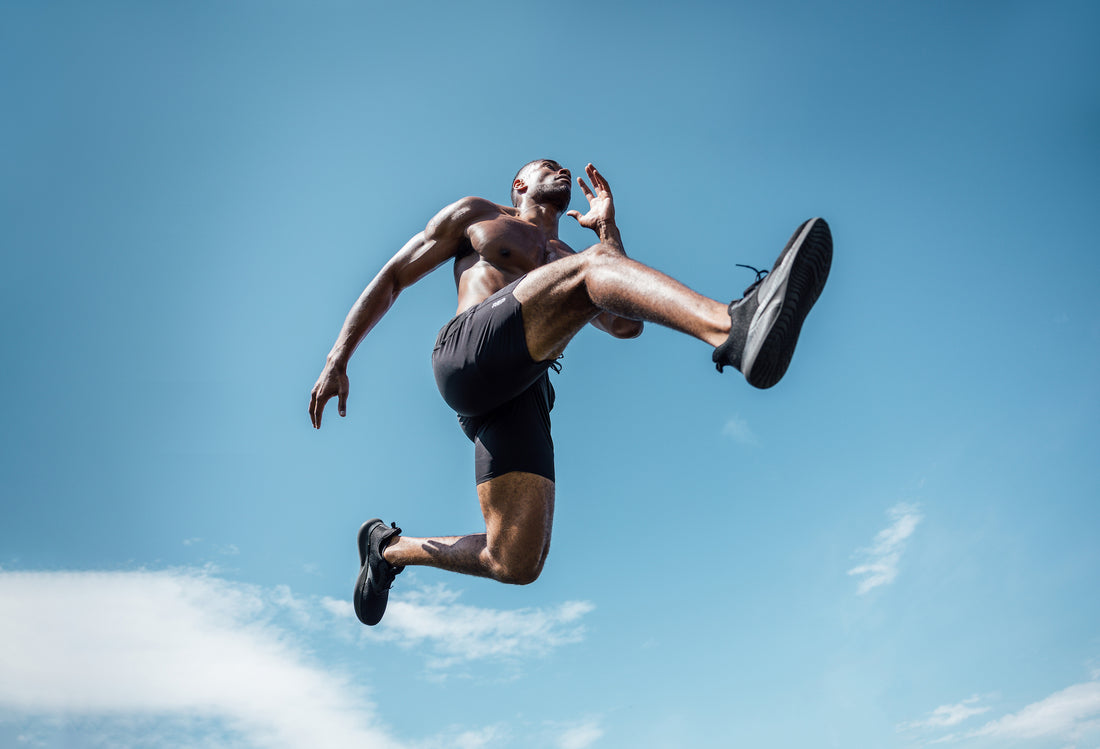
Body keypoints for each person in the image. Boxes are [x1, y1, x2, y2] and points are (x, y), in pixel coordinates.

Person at [309, 161, 831, 625]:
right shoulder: (479, 215)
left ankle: (388, 552)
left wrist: (607, 228)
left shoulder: (569, 253)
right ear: (520, 184)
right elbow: (395, 275)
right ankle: (732, 328)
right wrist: (339, 356)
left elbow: (627, 328)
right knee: (589, 268)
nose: (562, 174)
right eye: (549, 167)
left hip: (521, 391)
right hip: (467, 352)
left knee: (514, 561)